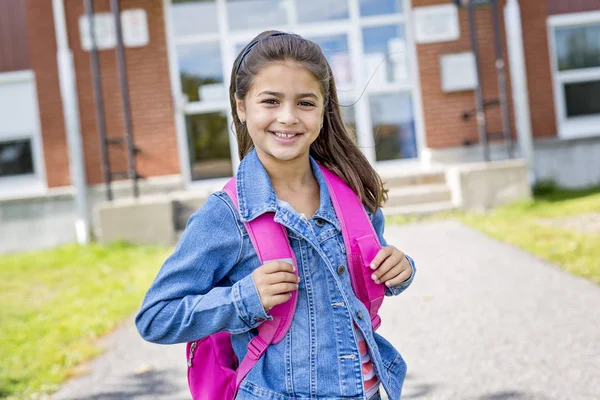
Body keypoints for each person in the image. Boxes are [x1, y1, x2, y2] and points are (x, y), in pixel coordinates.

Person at [135, 30, 416, 400]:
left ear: (323, 110)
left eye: (305, 103)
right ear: (241, 107)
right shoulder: (227, 215)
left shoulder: (351, 193)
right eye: (270, 101)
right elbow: (156, 317)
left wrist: (401, 269)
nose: (287, 117)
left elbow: (372, 268)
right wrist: (245, 299)